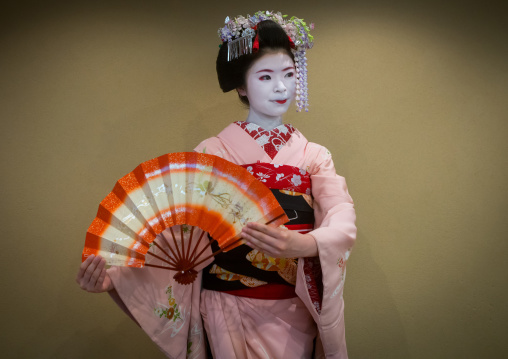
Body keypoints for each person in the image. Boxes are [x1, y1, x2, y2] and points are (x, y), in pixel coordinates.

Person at [76, 11, 356, 359]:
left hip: (294, 308)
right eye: (266, 76)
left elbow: (342, 216)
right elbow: (177, 240)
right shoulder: (212, 153)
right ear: (242, 85)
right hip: (227, 307)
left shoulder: (314, 155)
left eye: (288, 74)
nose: (281, 87)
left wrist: (305, 244)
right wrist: (116, 279)